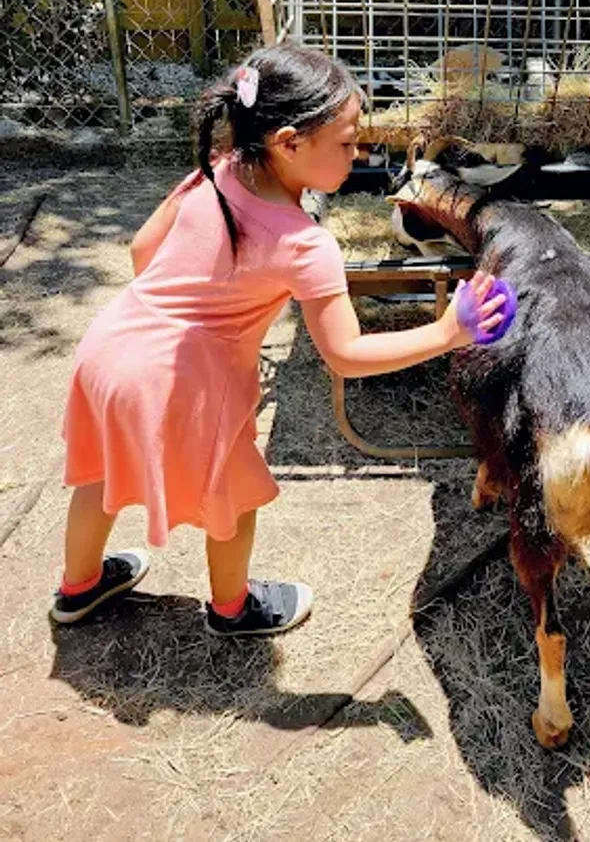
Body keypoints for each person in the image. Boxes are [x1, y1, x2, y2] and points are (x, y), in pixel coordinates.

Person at [52, 42, 511, 636]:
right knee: (233, 500)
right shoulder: (305, 244)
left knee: (98, 473)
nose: (358, 153)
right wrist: (449, 331)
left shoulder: (216, 171)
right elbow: (346, 354)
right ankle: (232, 608)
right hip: (180, 384)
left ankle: (79, 586)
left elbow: (143, 252)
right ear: (289, 142)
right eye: (346, 143)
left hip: (108, 350)